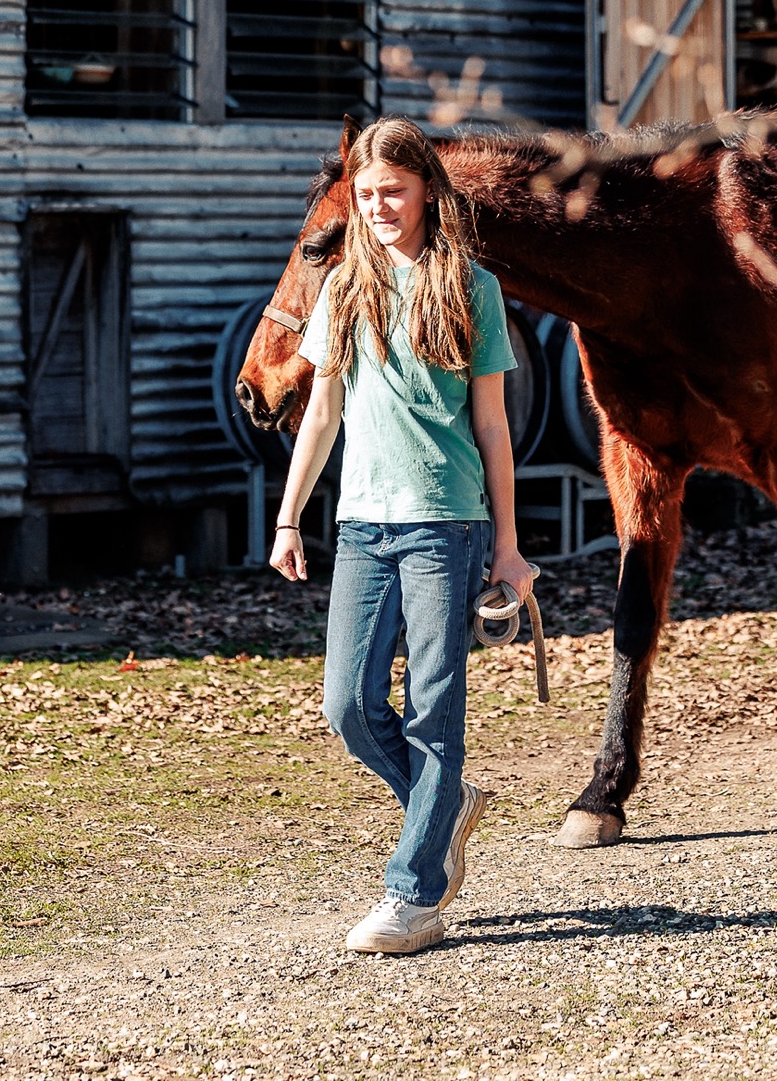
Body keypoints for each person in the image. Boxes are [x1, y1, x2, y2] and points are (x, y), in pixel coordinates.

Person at [270, 116, 538, 955]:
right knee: (348, 705)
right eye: (366, 195)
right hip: (361, 527)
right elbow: (321, 413)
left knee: (434, 708)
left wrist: (508, 546)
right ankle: (445, 805)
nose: (379, 206)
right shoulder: (344, 288)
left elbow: (492, 426)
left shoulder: (471, 288)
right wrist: (288, 517)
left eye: (394, 191)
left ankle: (414, 897)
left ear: (427, 192)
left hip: (445, 526)